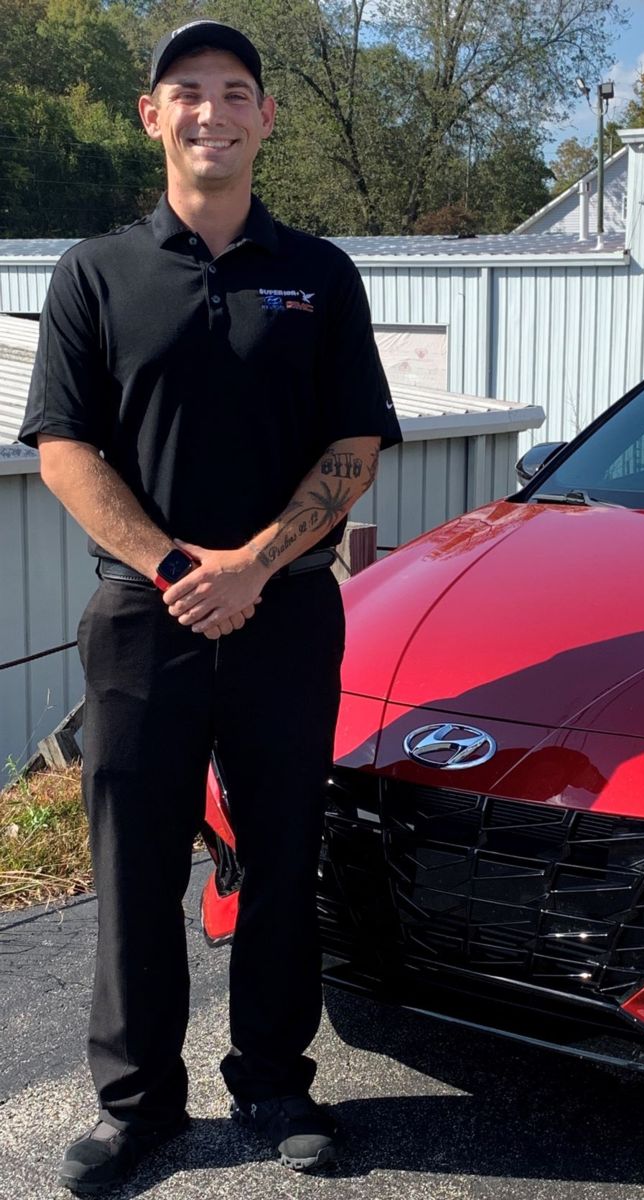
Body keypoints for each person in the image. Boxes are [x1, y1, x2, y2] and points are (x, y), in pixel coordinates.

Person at [18, 19, 401, 1194]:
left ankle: (276, 1084)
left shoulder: (321, 275)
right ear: (152, 116)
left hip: (287, 616)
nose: (213, 112)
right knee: (135, 868)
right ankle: (137, 1105)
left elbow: (354, 444)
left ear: (266, 118)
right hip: (144, 621)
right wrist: (185, 570)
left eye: (236, 92)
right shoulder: (95, 272)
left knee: (283, 856)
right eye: (188, 91)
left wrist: (255, 567)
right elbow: (65, 450)